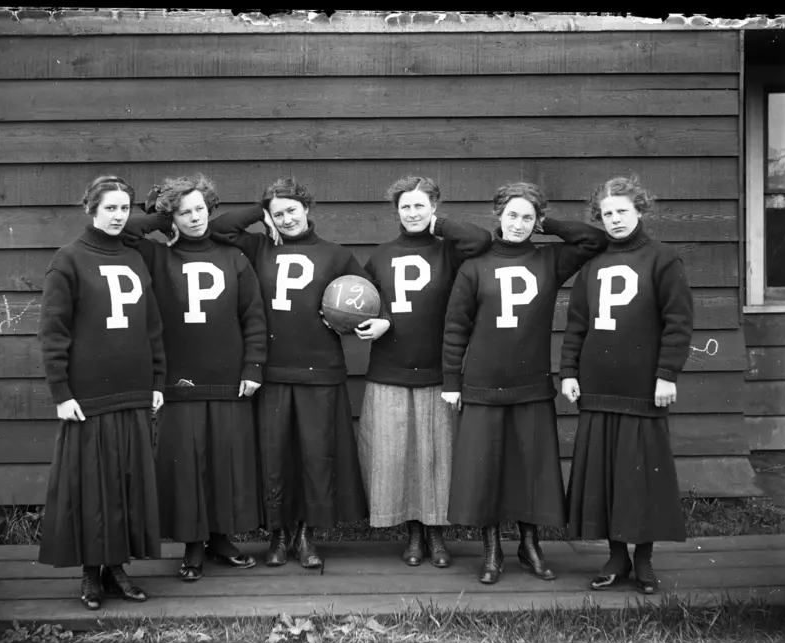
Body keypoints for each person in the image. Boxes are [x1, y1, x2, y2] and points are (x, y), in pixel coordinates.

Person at [207, 177, 391, 570]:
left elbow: (371, 297)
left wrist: (375, 321)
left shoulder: (336, 255)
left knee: (315, 456)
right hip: (270, 370)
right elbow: (220, 228)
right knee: (275, 456)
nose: (287, 218)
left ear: (308, 209)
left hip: (320, 369)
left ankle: (306, 534)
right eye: (278, 213)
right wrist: (261, 213)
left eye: (292, 210)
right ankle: (278, 533)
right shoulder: (258, 246)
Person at [441, 181, 608, 585]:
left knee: (532, 469)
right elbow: (455, 327)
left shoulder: (549, 259)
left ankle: (530, 545)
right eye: (512, 215)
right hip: (482, 384)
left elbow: (594, 240)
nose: (519, 224)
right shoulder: (474, 265)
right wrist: (452, 379)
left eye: (528, 218)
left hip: (531, 384)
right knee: (487, 472)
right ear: (498, 215)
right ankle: (492, 548)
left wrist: (547, 222)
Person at [120, 173, 267, 583]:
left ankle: (220, 539)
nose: (195, 218)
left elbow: (253, 315)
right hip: (178, 381)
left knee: (226, 463)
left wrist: (253, 366)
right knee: (186, 467)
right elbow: (127, 234)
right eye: (184, 212)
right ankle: (192, 545)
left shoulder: (233, 257)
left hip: (229, 379)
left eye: (200, 209)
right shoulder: (156, 256)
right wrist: (158, 219)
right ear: (172, 217)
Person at [559, 176, 693, 595]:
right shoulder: (593, 265)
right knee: (606, 473)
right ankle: (616, 557)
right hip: (598, 384)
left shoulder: (662, 259)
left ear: (640, 212)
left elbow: (678, 323)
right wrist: (568, 373)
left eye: (622, 212)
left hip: (642, 387)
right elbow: (576, 325)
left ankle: (645, 559)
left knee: (641, 475)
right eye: (607, 214)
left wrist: (666, 374)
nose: (615, 220)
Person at [37, 175, 166, 610]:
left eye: (124, 208)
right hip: (88, 396)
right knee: (93, 487)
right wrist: (61, 391)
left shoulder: (134, 258)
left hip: (132, 391)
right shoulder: (68, 259)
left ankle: (116, 568)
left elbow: (151, 327)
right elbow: (53, 332)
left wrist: (157, 381)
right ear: (91, 209)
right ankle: (91, 573)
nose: (117, 216)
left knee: (125, 484)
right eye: (109, 207)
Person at [358, 176, 491, 568]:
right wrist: (378, 322)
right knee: (397, 457)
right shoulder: (380, 255)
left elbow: (481, 241)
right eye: (405, 206)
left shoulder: (451, 251)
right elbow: (364, 303)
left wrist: (441, 227)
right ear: (395, 211)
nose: (412, 213)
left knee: (437, 457)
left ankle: (437, 534)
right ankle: (413, 534)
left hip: (438, 371)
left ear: (434, 207)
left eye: (420, 205)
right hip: (389, 370)